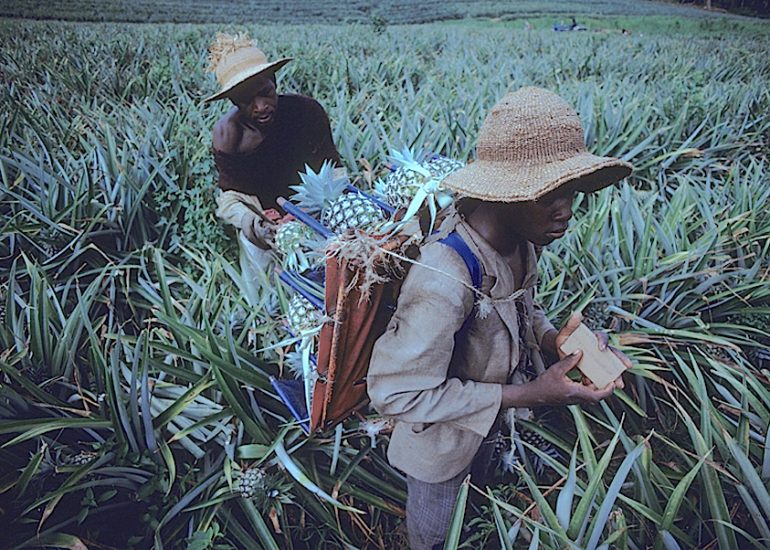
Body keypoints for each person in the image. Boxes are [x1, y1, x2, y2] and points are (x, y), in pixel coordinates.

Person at [367, 87, 634, 550]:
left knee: (483, 511)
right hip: (439, 448)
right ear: (505, 193)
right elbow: (395, 392)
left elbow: (521, 307)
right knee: (434, 537)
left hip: (490, 428)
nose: (565, 210)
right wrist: (530, 394)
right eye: (549, 194)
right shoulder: (444, 280)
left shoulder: (521, 237)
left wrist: (553, 340)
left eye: (570, 191)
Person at [204, 33, 341, 264]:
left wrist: (308, 212)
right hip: (269, 227)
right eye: (246, 100)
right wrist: (253, 221)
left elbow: (335, 171)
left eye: (265, 93)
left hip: (318, 210)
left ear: (275, 82)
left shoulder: (306, 112)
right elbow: (230, 198)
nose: (260, 107)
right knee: (254, 251)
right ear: (233, 102)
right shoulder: (228, 135)